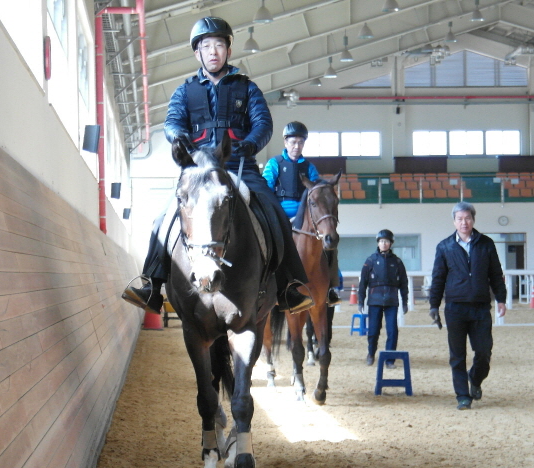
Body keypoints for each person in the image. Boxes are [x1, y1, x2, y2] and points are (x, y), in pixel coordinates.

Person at [121, 17, 312, 315]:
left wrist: (250, 144)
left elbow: (263, 123)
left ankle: (289, 285)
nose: (213, 51)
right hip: (199, 169)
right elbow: (172, 122)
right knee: (163, 218)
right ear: (197, 52)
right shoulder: (184, 91)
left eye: (219, 45)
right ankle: (152, 284)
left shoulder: (247, 88)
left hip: (239, 165)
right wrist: (180, 137)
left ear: (228, 51)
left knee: (274, 210)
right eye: (207, 46)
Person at [429, 202, 507, 410]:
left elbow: (496, 274)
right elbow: (438, 278)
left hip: (481, 307)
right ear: (454, 222)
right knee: (457, 355)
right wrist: (434, 305)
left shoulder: (486, 244)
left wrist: (501, 298)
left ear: (473, 220)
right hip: (455, 308)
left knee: (484, 352)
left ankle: (475, 378)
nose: (464, 222)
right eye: (460, 219)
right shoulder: (444, 247)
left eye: (467, 218)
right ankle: (462, 396)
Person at [263, 121, 340, 306]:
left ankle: (330, 287)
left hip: (305, 214)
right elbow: (266, 188)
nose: (296, 146)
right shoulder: (274, 163)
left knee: (329, 241)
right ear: (286, 142)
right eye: (293, 142)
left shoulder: (309, 167)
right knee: (266, 241)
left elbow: (317, 192)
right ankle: (264, 283)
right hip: (280, 212)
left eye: (300, 142)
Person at [358, 230, 409, 366]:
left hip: (392, 301)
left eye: (386, 241)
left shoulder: (397, 262)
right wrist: (360, 301)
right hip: (375, 301)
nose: (384, 244)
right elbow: (363, 283)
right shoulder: (370, 261)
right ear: (378, 243)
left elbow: (404, 283)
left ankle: (390, 359)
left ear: (390, 243)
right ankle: (371, 353)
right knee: (373, 330)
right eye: (381, 241)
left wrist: (405, 301)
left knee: (392, 331)